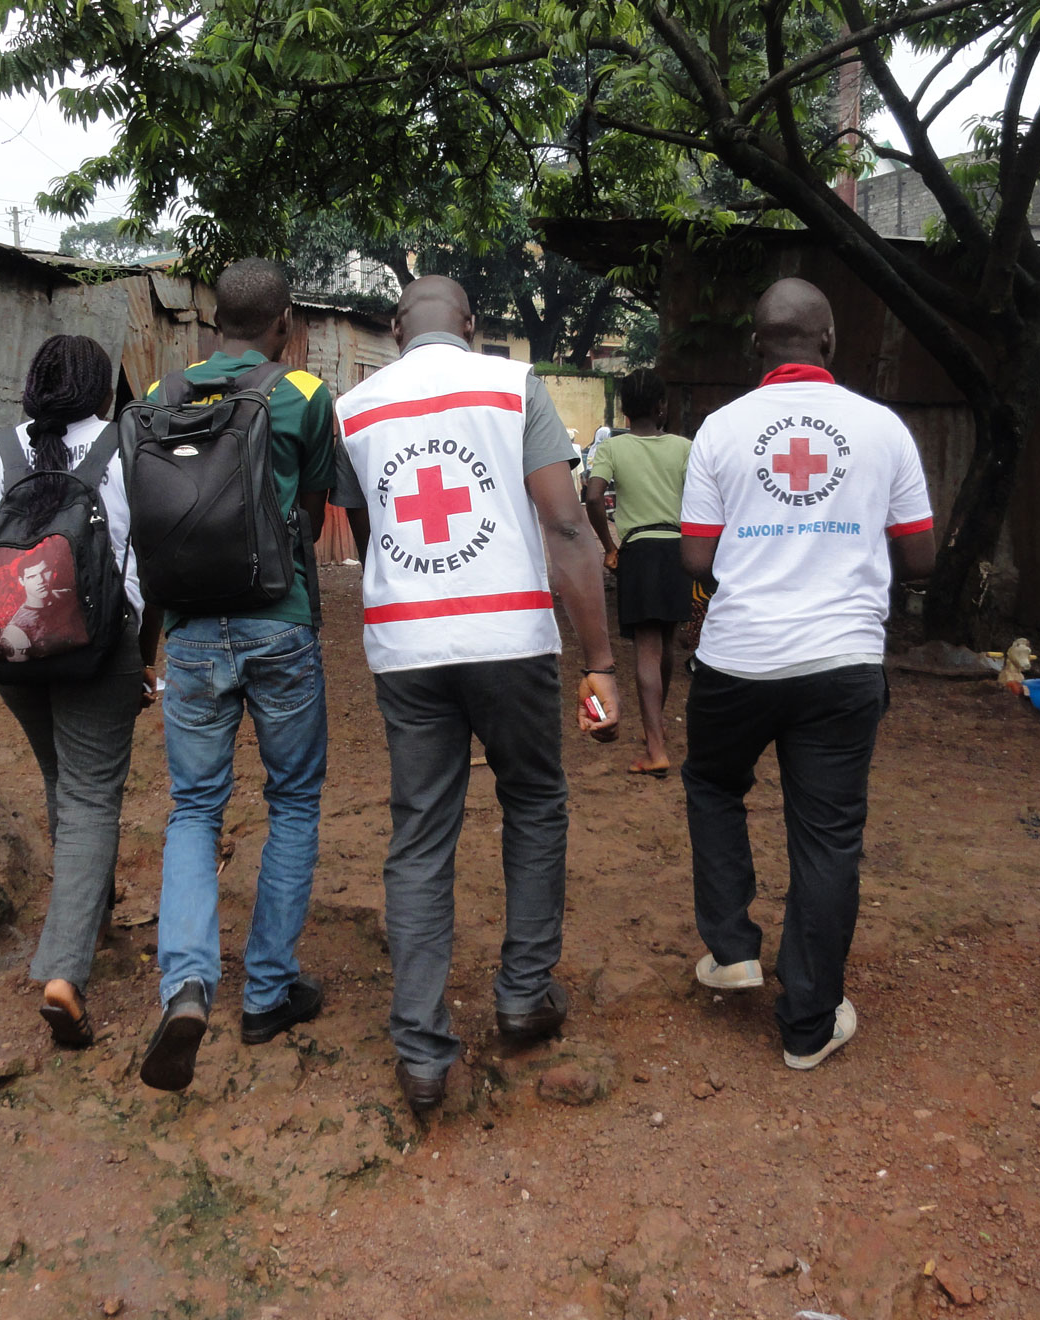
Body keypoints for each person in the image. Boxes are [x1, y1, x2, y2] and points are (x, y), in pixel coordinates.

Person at [335, 276, 621, 1112]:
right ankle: (524, 994)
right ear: (471, 324)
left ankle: (422, 1051)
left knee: (421, 834)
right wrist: (598, 657)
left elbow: (370, 528)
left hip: (408, 647)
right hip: (509, 640)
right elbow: (566, 524)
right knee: (534, 800)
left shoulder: (355, 409)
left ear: (394, 330)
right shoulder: (510, 385)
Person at [677, 278, 934, 1071]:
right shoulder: (882, 427)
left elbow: (695, 556)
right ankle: (808, 1024)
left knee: (714, 784)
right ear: (827, 341)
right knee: (827, 840)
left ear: (758, 344)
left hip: (738, 659)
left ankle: (732, 949)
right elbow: (921, 556)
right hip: (842, 663)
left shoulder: (719, 429)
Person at [137, 258, 342, 1093]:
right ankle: (266, 992)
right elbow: (322, 499)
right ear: (285, 322)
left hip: (189, 631)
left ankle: (186, 984)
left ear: (212, 321)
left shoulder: (161, 394)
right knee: (291, 799)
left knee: (193, 807)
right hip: (277, 621)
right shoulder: (300, 392)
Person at [0, 334, 159, 1051]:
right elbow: (151, 563)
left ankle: (95, 911)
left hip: (12, 648)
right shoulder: (128, 448)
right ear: (100, 392)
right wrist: (146, 657)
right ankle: (63, 973)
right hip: (101, 647)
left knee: (65, 780)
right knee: (91, 795)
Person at [585, 368, 693, 775]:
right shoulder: (685, 447)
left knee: (646, 650)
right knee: (665, 642)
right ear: (662, 406)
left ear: (624, 410)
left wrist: (610, 546)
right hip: (677, 549)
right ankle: (656, 725)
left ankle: (656, 749)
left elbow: (594, 498)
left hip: (640, 549)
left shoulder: (613, 449)